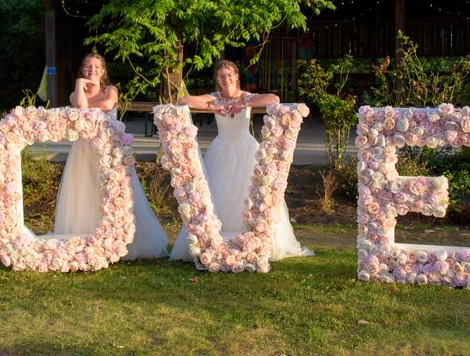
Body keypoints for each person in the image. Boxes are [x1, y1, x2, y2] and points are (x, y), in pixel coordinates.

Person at [170, 59, 313, 262]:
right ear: (217, 80)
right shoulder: (214, 97)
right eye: (221, 76)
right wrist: (213, 107)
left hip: (246, 148)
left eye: (229, 75)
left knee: (251, 189)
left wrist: (244, 103)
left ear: (236, 76)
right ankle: (216, 236)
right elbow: (184, 100)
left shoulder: (245, 95)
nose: (226, 79)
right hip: (221, 149)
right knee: (217, 190)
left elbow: (274, 98)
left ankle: (251, 235)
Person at [54, 52, 168, 260]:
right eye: (88, 67)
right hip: (83, 151)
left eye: (97, 67)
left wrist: (86, 108)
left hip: (109, 151)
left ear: (103, 71)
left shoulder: (110, 91)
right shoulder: (75, 93)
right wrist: (80, 84)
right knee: (85, 193)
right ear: (83, 70)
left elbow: (107, 106)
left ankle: (119, 243)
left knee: (115, 194)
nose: (92, 70)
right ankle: (87, 244)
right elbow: (79, 105)